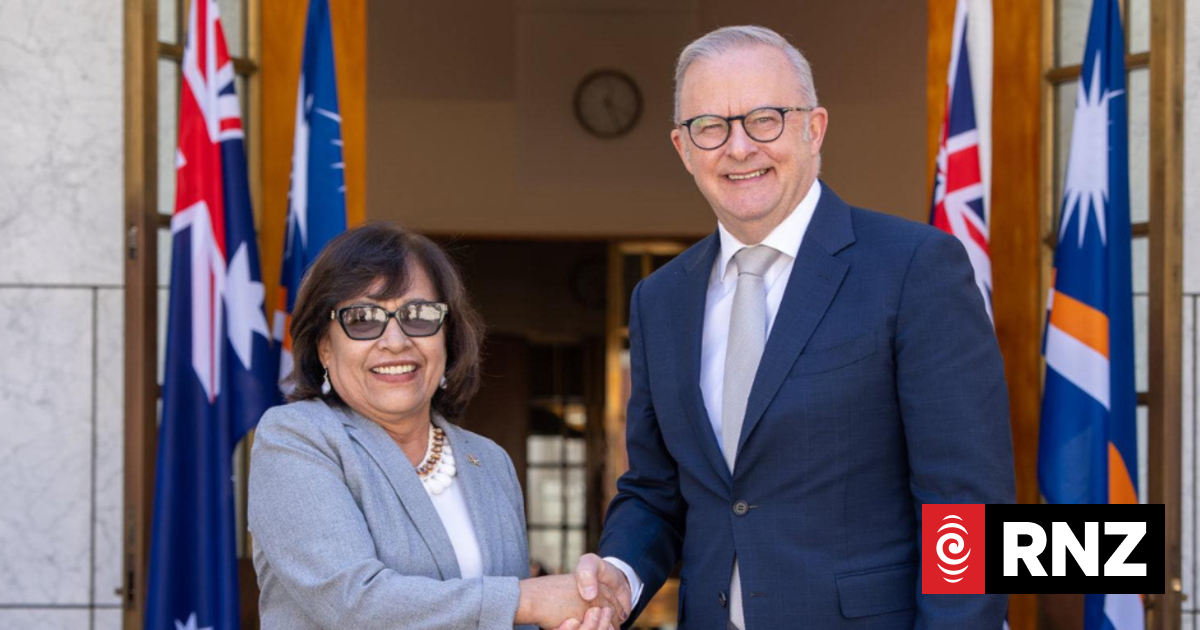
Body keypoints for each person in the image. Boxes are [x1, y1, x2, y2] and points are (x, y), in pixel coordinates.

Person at [571, 25, 1016, 629]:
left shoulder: (914, 268)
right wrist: (619, 578)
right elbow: (655, 489)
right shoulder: (660, 299)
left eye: (766, 118)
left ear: (815, 128)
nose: (739, 147)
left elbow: (965, 509)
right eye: (711, 126)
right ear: (683, 147)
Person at [248, 224, 623, 629]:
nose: (395, 341)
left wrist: (575, 613)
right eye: (362, 318)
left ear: (447, 336)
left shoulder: (489, 461)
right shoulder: (296, 438)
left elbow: (509, 620)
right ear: (325, 346)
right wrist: (529, 599)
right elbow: (352, 605)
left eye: (418, 315)